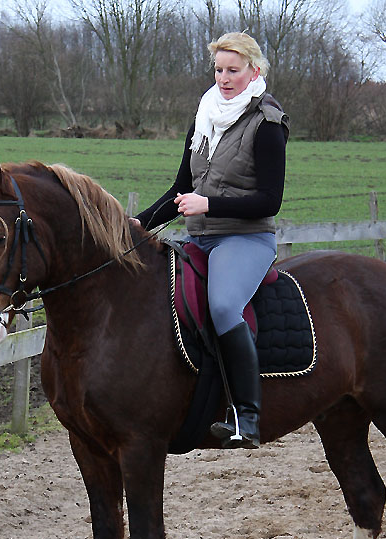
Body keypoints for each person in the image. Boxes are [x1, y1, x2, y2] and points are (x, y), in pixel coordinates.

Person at [132, 32, 289, 449]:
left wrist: (208, 204)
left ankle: (247, 416)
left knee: (222, 306)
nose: (224, 78)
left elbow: (270, 200)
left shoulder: (267, 123)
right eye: (219, 70)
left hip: (246, 238)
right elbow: (180, 191)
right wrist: (135, 225)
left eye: (233, 70)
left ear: (254, 71)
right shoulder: (204, 116)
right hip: (200, 239)